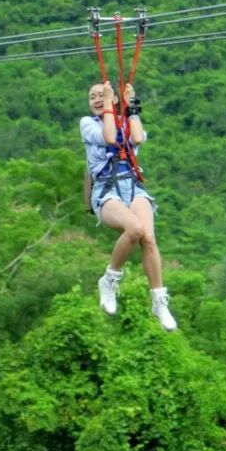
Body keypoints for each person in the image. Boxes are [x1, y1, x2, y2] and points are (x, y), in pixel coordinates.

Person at [80, 81, 176, 331]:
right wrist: (111, 104)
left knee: (148, 237)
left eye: (102, 95)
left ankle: (159, 300)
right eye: (93, 97)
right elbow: (109, 137)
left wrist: (131, 104)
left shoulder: (125, 121)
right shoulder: (88, 123)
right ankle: (110, 280)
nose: (97, 99)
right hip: (106, 188)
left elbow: (136, 137)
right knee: (133, 229)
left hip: (132, 185)